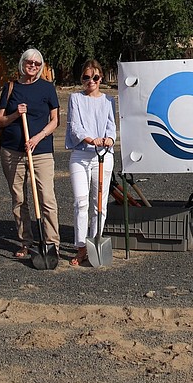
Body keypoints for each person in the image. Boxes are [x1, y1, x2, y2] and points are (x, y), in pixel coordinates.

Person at [0, 48, 61, 261]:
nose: (32, 65)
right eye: (28, 62)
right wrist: (16, 114)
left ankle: (52, 243)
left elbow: (54, 121)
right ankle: (26, 242)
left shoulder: (47, 88)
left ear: (41, 65)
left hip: (40, 151)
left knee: (47, 198)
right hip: (12, 151)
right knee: (19, 198)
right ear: (22, 63)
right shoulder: (10, 87)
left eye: (36, 63)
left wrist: (37, 138)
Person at [64, 59, 117, 266]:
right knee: (81, 201)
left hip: (103, 155)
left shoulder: (108, 101)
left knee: (99, 204)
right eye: (86, 77)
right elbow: (75, 126)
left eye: (95, 77)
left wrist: (109, 139)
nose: (91, 81)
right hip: (81, 154)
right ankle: (81, 246)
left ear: (101, 78)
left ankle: (95, 241)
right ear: (82, 79)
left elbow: (112, 126)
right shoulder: (75, 98)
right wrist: (89, 139)